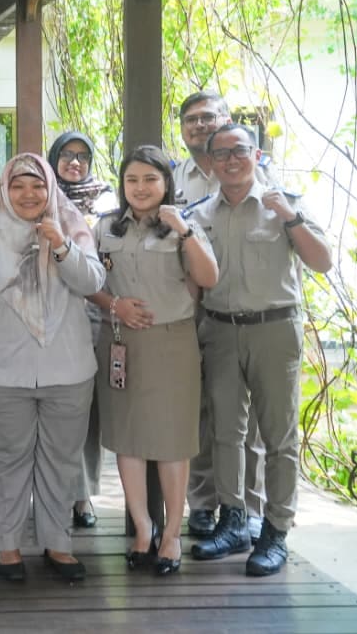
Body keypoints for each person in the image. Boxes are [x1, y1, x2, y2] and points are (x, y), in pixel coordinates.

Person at [190, 123, 332, 577]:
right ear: (210, 163)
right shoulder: (199, 214)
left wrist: (290, 218)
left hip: (274, 330)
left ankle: (276, 530)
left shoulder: (284, 204)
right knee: (224, 432)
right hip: (220, 330)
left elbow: (322, 262)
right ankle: (233, 520)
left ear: (256, 155)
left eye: (240, 150)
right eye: (221, 153)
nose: (231, 160)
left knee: (278, 437)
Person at [0, 153, 105, 583]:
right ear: (4, 190)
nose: (28, 194)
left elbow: (92, 283)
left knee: (61, 460)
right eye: (18, 185)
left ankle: (58, 544)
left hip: (69, 368)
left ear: (50, 189)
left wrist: (61, 246)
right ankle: (8, 546)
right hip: (3, 369)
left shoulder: (72, 228)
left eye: (38, 185)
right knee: (7, 460)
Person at [86, 146, 219, 576]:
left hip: (172, 342)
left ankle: (171, 534)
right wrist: (115, 306)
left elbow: (208, 278)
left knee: (171, 439)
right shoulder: (105, 227)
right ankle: (143, 528)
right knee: (128, 436)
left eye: (150, 179)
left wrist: (185, 232)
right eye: (132, 180)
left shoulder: (184, 225)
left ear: (166, 183)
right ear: (122, 185)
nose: (140, 188)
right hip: (120, 340)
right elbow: (88, 281)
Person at [173, 91, 268, 541]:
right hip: (196, 311)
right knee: (200, 411)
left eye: (208, 117)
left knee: (248, 422)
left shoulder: (255, 173)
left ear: (226, 119)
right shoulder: (174, 178)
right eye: (191, 119)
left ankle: (248, 508)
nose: (199, 125)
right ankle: (203, 503)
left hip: (249, 312)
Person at [47, 130, 118, 529]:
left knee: (86, 409)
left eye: (82, 156)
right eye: (67, 155)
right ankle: (49, 490)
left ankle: (82, 494)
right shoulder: (39, 195)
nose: (74, 162)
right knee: (50, 404)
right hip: (46, 315)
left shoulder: (107, 202)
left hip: (93, 313)